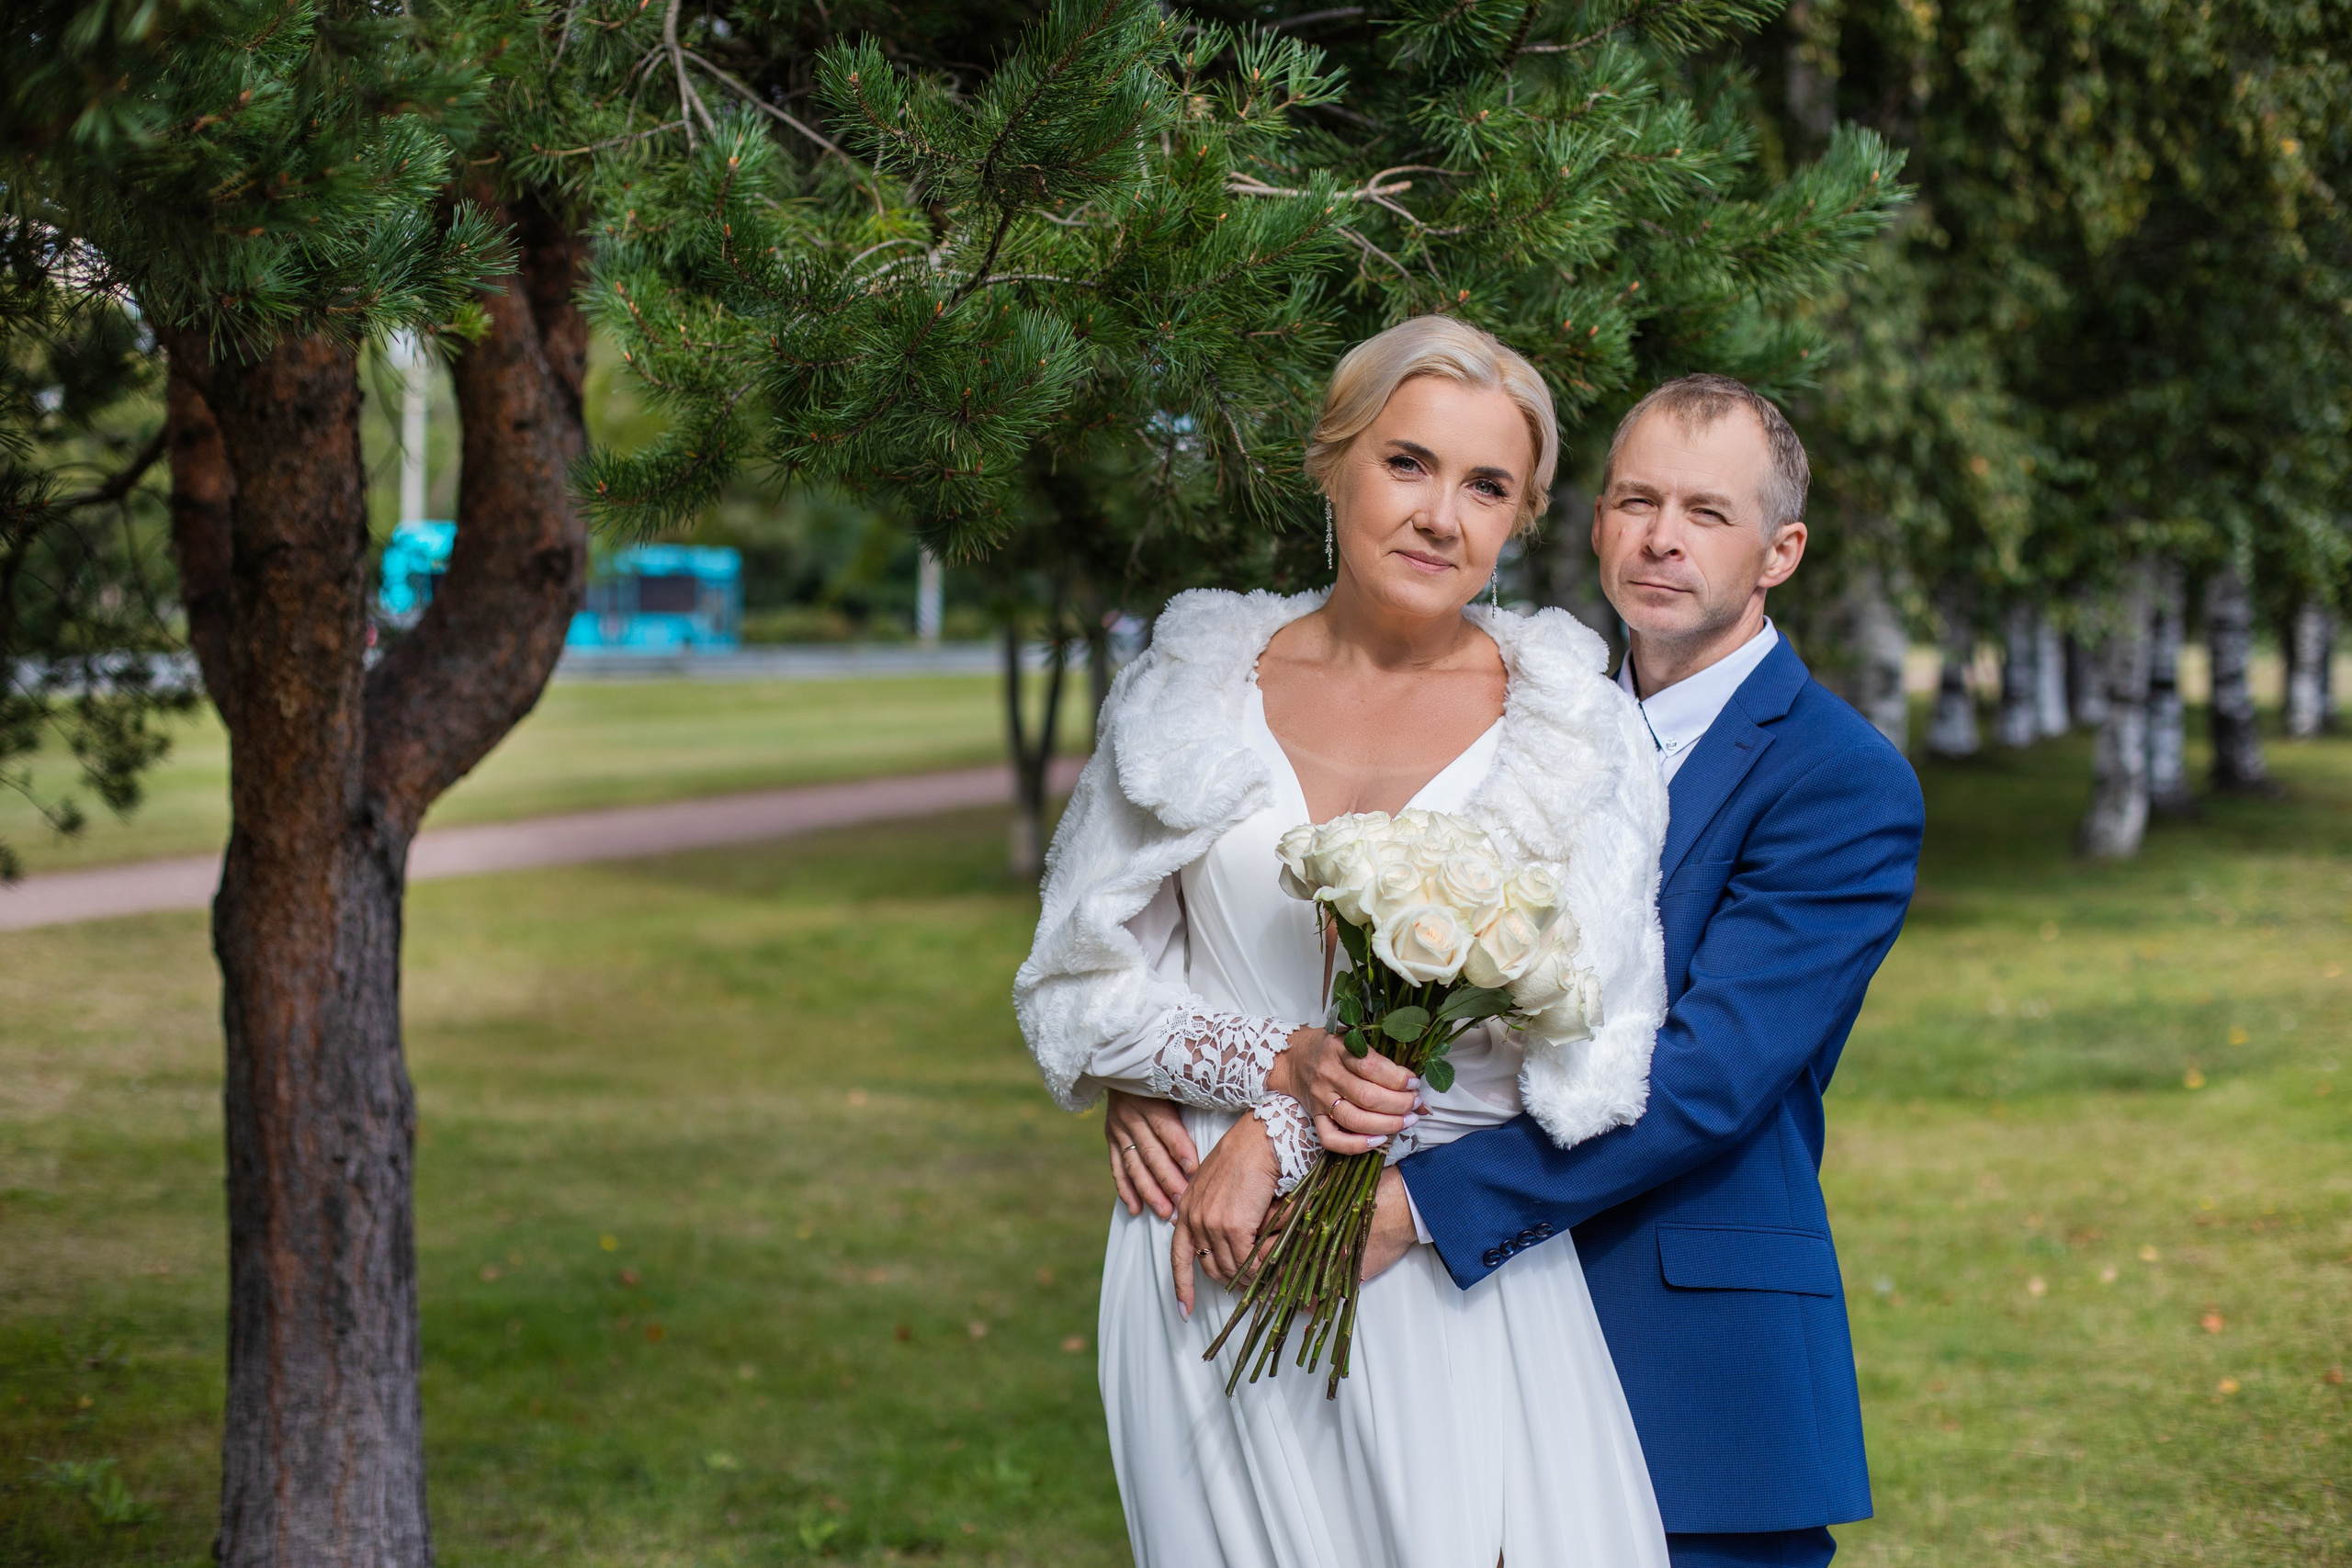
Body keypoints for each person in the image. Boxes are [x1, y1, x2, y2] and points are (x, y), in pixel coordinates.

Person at [1015, 315, 1675, 1566]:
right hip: (1193, 1251)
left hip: (1422, 1258)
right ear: (1335, 465)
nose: (1441, 515)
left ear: (1522, 517)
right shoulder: (1189, 684)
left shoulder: (1577, 733)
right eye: (1408, 463)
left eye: (1488, 486)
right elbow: (1079, 988)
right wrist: (1250, 1072)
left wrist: (1284, 1132)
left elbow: (1579, 1050)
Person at [1295, 373, 1924, 1567]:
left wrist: (1424, 1205)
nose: (1661, 539)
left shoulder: (1841, 781)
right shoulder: (1515, 727)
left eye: (1706, 512)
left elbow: (1706, 1080)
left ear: (1780, 551)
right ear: (1594, 525)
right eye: (1635, 501)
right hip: (1449, 1339)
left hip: (1680, 1343)